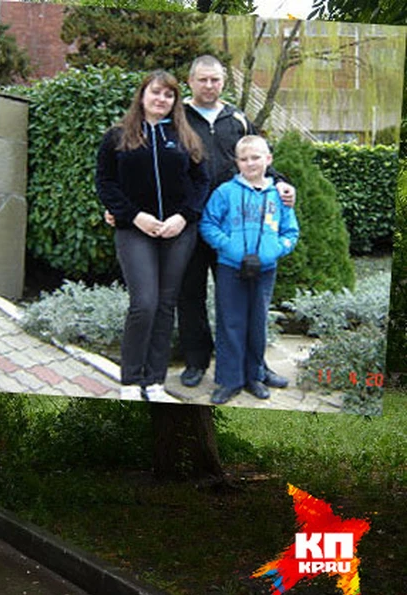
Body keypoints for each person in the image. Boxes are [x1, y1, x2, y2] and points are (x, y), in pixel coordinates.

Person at [176, 55, 296, 389]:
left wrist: (282, 183)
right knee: (190, 294)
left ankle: (256, 366)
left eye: (215, 80)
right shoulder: (178, 118)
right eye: (203, 79)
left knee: (247, 300)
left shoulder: (238, 119)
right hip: (189, 222)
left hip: (236, 229)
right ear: (190, 81)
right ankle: (197, 361)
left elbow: (257, 155)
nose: (209, 86)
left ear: (223, 82)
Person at [96, 69, 209, 403]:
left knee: (165, 304)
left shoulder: (185, 136)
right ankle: (131, 380)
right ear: (142, 95)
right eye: (155, 92)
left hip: (178, 231)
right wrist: (135, 216)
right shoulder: (118, 136)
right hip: (135, 231)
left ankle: (155, 381)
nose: (161, 99)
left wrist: (183, 217)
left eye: (168, 94)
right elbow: (106, 183)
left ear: (175, 100)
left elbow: (201, 182)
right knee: (144, 303)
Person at [198, 135, 299, 404]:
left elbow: (290, 232)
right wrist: (230, 247)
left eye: (256, 157)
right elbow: (208, 224)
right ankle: (230, 380)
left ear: (268, 159)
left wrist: (272, 252)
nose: (250, 163)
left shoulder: (280, 196)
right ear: (237, 162)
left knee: (257, 322)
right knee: (231, 322)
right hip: (231, 268)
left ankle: (255, 375)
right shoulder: (225, 193)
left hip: (265, 270)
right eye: (244, 159)